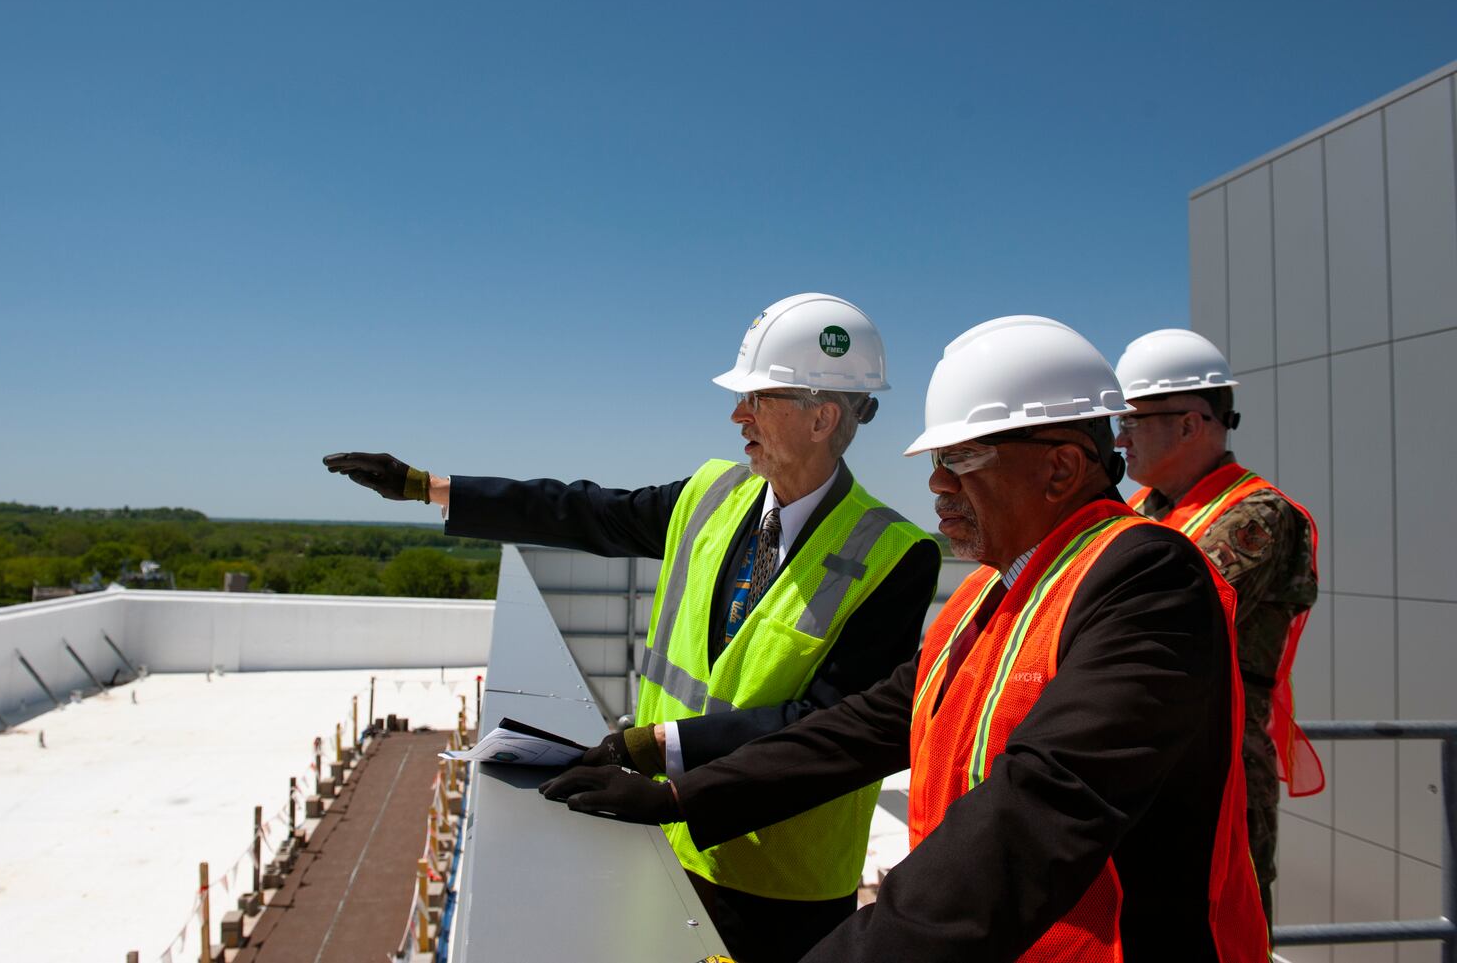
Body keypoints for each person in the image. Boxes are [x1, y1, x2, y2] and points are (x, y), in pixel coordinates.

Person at [540, 315, 1270, 963]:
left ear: (1060, 466)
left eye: (963, 460)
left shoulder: (1149, 581)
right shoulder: (997, 587)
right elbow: (859, 729)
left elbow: (1031, 817)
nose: (938, 487)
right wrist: (674, 793)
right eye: (935, 462)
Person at [324, 292, 941, 963]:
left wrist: (649, 750)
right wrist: (431, 487)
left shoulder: (894, 554)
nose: (737, 415)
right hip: (663, 837)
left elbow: (829, 721)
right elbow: (585, 512)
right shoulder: (711, 494)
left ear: (822, 417)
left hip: (779, 891)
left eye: (757, 399)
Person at [1114, 327, 1322, 928]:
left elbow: (1153, 615)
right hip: (1142, 763)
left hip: (1216, 771)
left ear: (1190, 422)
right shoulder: (1139, 510)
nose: (1120, 439)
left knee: (1214, 927)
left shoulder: (1257, 515)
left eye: (1132, 420)